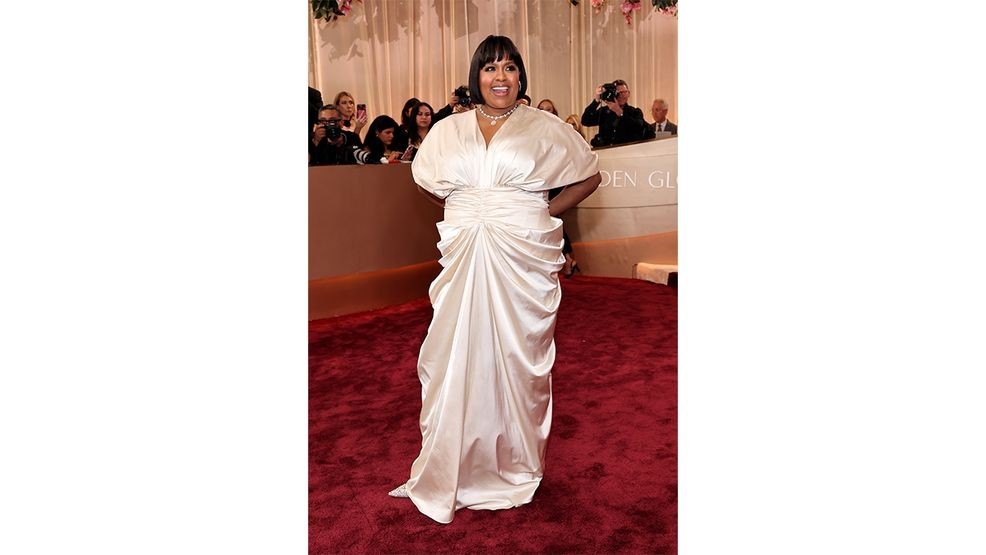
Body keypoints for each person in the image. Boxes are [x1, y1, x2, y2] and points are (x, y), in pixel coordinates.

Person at [390, 35, 601, 524]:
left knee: (515, 355)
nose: (500, 77)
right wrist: (464, 209)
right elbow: (423, 179)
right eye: (490, 69)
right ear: (476, 77)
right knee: (456, 352)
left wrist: (542, 212)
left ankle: (514, 464)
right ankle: (455, 462)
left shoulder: (543, 126)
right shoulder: (448, 129)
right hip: (467, 249)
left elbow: (589, 174)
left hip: (521, 254)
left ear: (521, 76)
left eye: (509, 68)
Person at [580, 79, 650, 147]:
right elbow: (585, 121)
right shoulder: (604, 112)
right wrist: (596, 100)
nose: (621, 95)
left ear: (629, 94)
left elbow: (638, 128)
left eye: (624, 92)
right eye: (618, 93)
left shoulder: (635, 112)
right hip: (607, 152)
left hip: (627, 152)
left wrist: (619, 112)